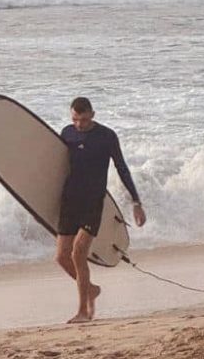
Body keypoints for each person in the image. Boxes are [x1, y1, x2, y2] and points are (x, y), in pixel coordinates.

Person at [56, 97, 146, 324]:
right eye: (75, 119)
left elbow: (122, 168)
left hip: (93, 202)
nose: (79, 125)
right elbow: (54, 165)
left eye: (83, 120)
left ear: (92, 115)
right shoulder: (66, 133)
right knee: (61, 257)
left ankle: (83, 311)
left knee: (78, 253)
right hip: (69, 201)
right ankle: (91, 289)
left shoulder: (106, 136)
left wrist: (136, 202)